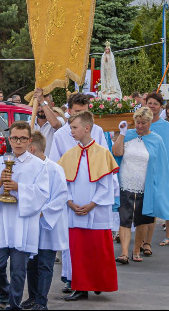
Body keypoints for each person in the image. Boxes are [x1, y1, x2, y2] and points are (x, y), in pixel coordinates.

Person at [0, 121, 49, 310]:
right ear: (9, 139)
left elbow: (42, 193)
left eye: (23, 138)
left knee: (18, 270)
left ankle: (13, 304)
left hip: (23, 223)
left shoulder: (37, 165)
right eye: (15, 138)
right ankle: (3, 294)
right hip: (2, 220)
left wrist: (19, 188)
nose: (18, 142)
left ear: (29, 141)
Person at [48, 92, 109, 293]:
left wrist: (94, 202)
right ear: (69, 111)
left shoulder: (97, 132)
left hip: (93, 200)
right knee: (72, 244)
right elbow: (58, 170)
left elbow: (105, 168)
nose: (80, 117)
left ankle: (93, 279)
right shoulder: (61, 136)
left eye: (84, 113)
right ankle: (71, 279)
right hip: (71, 199)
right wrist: (68, 200)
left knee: (93, 245)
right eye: (76, 113)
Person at [58, 111, 118, 301]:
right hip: (74, 210)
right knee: (78, 252)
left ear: (87, 128)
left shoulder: (102, 153)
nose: (72, 131)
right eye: (71, 128)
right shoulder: (70, 154)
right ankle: (80, 287)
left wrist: (92, 204)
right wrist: (69, 201)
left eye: (74, 128)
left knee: (97, 250)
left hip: (97, 211)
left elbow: (107, 185)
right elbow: (63, 183)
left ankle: (98, 283)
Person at [113, 107, 169, 263]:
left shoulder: (156, 140)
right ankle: (124, 253)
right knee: (125, 219)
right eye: (137, 122)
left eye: (143, 123)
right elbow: (116, 152)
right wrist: (121, 134)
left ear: (149, 122)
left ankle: (136, 250)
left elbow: (162, 166)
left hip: (145, 185)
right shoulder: (127, 135)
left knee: (142, 220)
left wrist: (161, 187)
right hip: (126, 182)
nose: (139, 126)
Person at [21, 131, 68, 309]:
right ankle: (32, 296)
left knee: (45, 264)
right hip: (31, 225)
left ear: (32, 148)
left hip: (48, 225)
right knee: (31, 264)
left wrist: (41, 212)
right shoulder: (28, 168)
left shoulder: (55, 169)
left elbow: (61, 196)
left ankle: (42, 301)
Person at [134, 92, 169, 256]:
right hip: (140, 170)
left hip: (158, 171)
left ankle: (147, 242)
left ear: (160, 106)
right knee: (141, 207)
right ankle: (140, 241)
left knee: (152, 207)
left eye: (155, 103)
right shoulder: (138, 123)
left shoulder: (165, 126)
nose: (152, 106)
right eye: (149, 103)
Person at [33, 88, 64, 156]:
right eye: (38, 105)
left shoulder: (59, 120)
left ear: (52, 105)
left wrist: (42, 101)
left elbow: (55, 124)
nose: (41, 108)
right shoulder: (29, 124)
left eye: (44, 104)